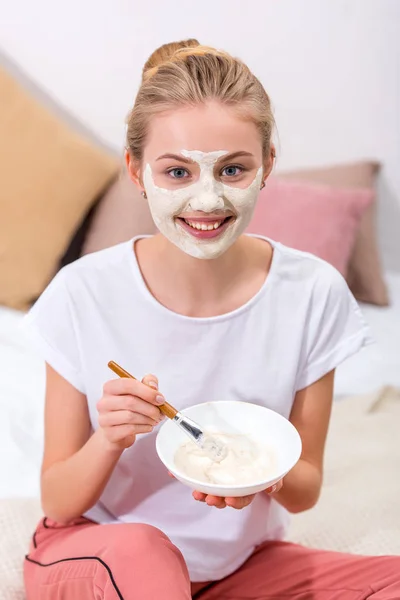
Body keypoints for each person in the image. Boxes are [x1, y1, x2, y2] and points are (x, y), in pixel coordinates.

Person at [23, 39, 399, 600]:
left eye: (232, 169)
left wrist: (258, 467)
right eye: (176, 172)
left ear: (267, 165)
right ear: (136, 169)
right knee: (147, 556)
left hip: (241, 567)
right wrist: (110, 438)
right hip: (103, 547)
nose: (206, 199)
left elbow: (304, 491)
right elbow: (57, 500)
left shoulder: (314, 294)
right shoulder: (83, 293)